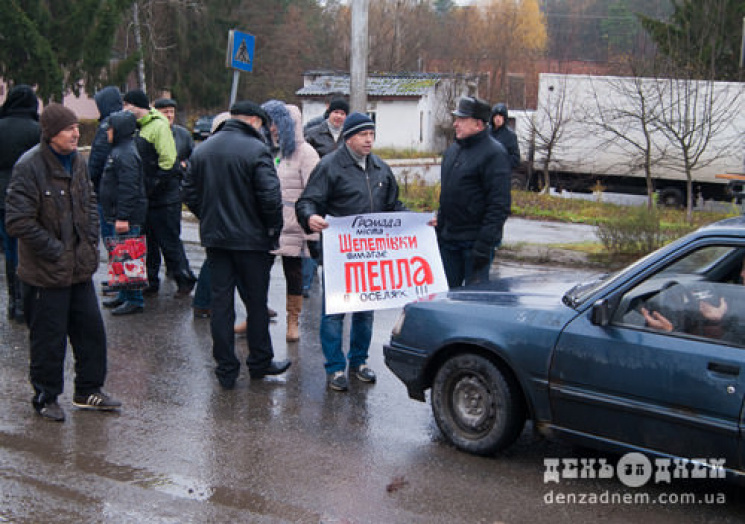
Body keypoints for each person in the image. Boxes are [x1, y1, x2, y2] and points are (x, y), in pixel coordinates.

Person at [5, 103, 121, 421]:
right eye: (69, 129)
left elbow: (90, 200)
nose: (76, 133)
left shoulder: (78, 162)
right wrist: (55, 249)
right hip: (45, 272)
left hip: (78, 269)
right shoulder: (29, 166)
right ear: (51, 133)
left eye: (76, 128)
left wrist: (90, 241)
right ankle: (45, 396)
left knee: (91, 333)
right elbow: (17, 221)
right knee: (49, 339)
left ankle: (88, 390)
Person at [296, 112, 406, 392]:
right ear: (349, 138)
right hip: (339, 254)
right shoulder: (330, 167)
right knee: (334, 313)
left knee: (364, 312)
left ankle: (358, 361)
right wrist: (309, 217)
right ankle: (334, 367)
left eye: (372, 135)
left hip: (370, 255)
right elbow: (307, 201)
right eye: (362, 135)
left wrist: (419, 222)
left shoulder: (381, 168)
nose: (369, 140)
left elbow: (394, 207)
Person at [183, 101, 290, 389]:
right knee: (256, 303)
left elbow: (189, 192)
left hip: (217, 240)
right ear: (255, 121)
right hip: (252, 241)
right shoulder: (257, 150)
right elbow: (270, 198)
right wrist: (271, 231)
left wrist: (208, 216)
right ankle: (259, 361)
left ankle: (226, 369)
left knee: (221, 305)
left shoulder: (203, 149)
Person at [122, 89, 196, 297]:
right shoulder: (139, 127)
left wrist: (153, 185)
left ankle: (184, 279)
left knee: (169, 241)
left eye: (127, 105)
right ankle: (150, 280)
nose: (124, 109)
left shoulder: (159, 127)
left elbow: (168, 163)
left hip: (165, 197)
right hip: (148, 196)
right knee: (149, 242)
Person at [435, 96, 512, 288]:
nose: (456, 124)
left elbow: (499, 205)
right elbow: (447, 196)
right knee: (446, 298)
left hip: (474, 245)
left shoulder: (494, 154)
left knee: (471, 304)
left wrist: (484, 246)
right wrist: (439, 230)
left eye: (462, 119)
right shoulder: (453, 151)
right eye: (456, 118)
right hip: (449, 241)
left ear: (478, 124)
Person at [261, 100, 320, 342]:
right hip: (272, 223)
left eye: (276, 123)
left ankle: (292, 321)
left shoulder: (306, 153)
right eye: (270, 123)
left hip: (295, 225)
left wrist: (310, 226)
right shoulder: (274, 151)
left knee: (293, 273)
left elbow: (314, 192)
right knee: (259, 271)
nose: (272, 128)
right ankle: (258, 314)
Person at [98, 110, 148, 315]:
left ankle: (135, 299)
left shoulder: (126, 153)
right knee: (121, 255)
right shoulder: (120, 150)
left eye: (110, 128)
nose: (107, 132)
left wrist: (122, 216)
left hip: (126, 216)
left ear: (119, 130)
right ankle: (124, 294)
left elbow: (129, 188)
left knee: (129, 255)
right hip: (118, 213)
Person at [0, 84, 40, 323]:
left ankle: (15, 303)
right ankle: (27, 302)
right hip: (29, 195)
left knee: (10, 247)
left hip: (2, 196)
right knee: (29, 248)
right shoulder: (37, 130)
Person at [88, 86, 124, 241]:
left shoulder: (106, 128)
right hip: (123, 194)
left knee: (112, 242)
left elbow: (96, 163)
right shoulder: (127, 123)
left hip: (106, 193)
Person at [490, 103, 521, 170]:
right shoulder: (486, 132)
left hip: (500, 173)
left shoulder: (510, 136)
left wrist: (500, 161)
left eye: (501, 116)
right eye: (496, 116)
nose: (498, 118)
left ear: (505, 118)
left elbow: (515, 159)